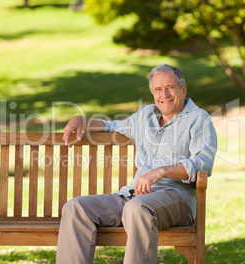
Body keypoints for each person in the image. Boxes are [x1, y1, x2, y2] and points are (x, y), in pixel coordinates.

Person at [56, 64, 217, 264]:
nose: (164, 94)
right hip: (133, 195)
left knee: (137, 208)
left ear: (183, 89)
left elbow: (203, 164)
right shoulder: (145, 115)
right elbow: (112, 126)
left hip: (176, 198)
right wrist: (82, 121)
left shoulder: (198, 118)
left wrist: (162, 171)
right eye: (158, 89)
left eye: (170, 87)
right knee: (76, 208)